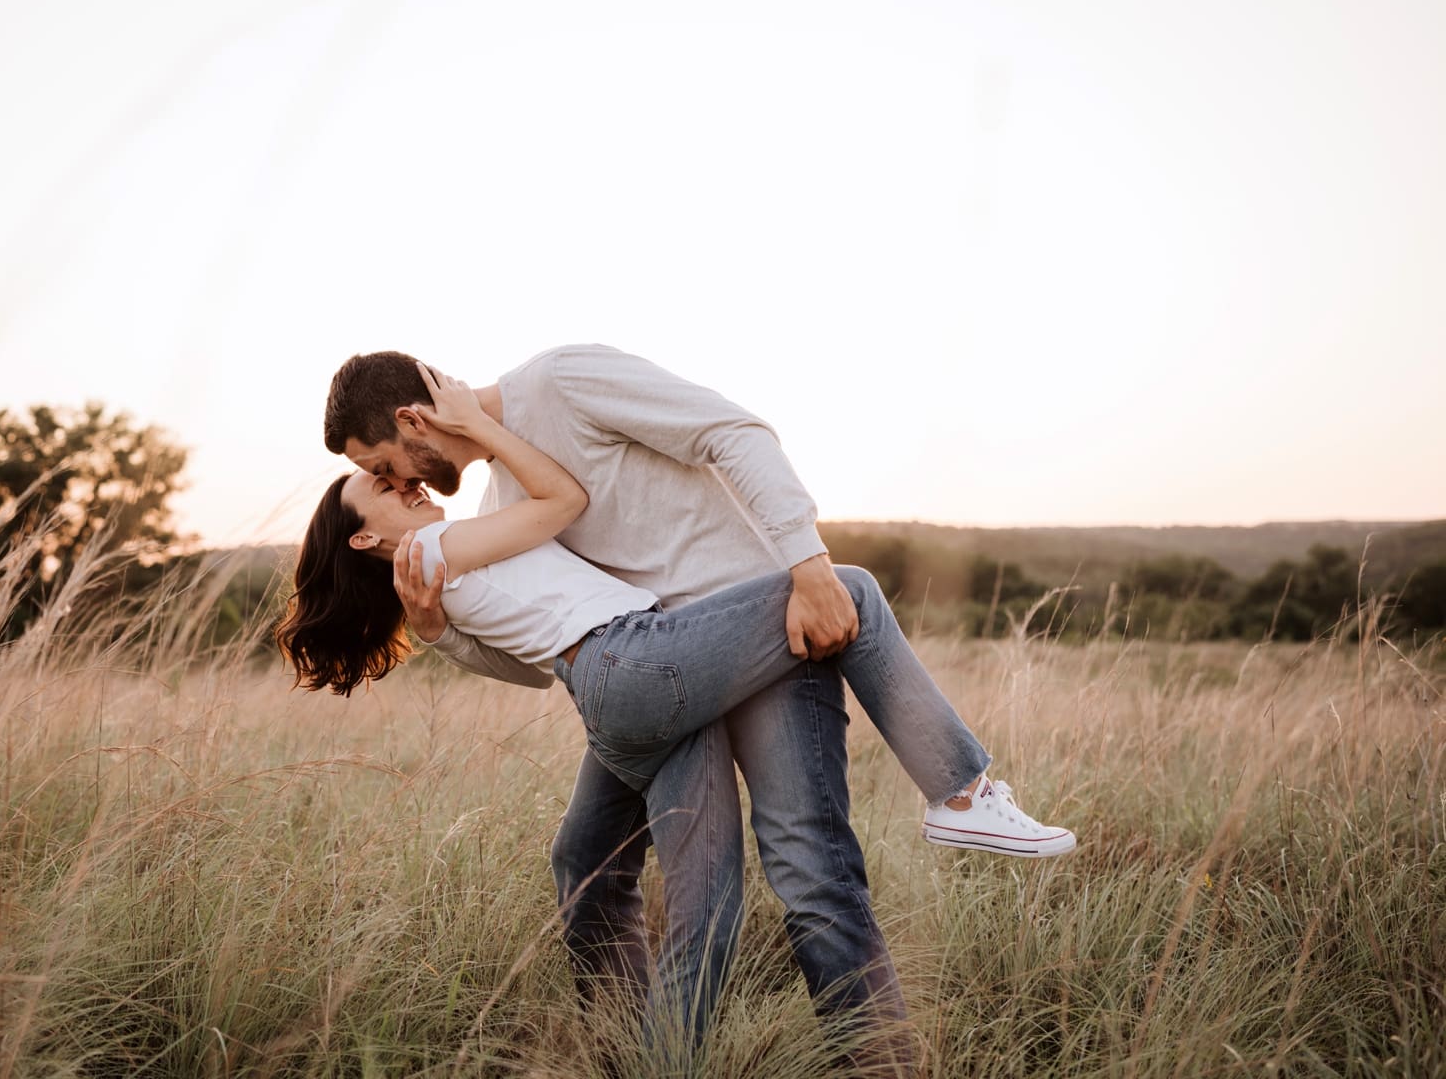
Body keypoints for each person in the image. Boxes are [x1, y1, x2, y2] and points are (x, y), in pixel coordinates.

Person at [311, 346, 1072, 1051]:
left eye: (384, 466)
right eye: (383, 481)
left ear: (412, 421)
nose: (402, 483)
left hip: (762, 625)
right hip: (658, 665)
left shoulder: (561, 382)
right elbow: (541, 647)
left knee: (786, 877)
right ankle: (638, 1053)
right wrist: (438, 631)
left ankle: (845, 1055)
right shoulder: (494, 501)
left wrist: (808, 568)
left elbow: (732, 434)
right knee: (635, 875)